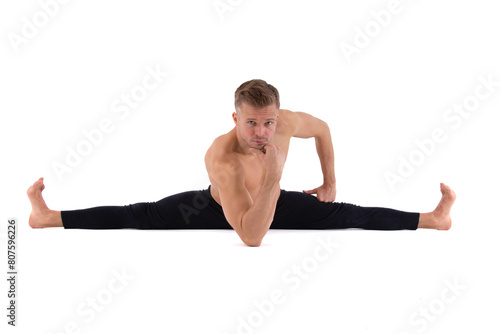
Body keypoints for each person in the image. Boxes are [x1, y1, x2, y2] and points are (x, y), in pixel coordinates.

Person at [27, 79, 456, 246]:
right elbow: (251, 236)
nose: (262, 133)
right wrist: (272, 177)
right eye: (252, 123)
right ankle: (46, 216)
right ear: (236, 119)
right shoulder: (223, 158)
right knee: (138, 215)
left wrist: (329, 182)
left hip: (273, 200)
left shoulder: (285, 124)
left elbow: (323, 128)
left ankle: (433, 220)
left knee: (350, 215)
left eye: (268, 122)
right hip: (218, 209)